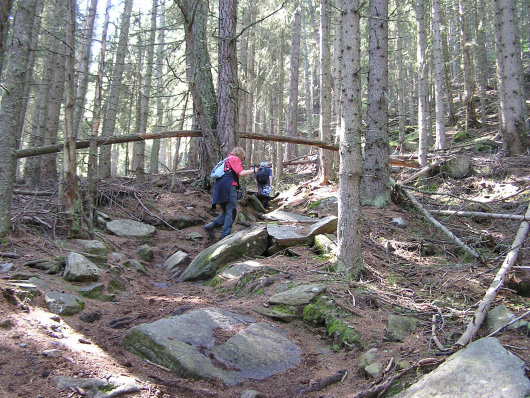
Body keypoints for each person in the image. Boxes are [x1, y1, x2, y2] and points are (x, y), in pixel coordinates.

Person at [204, 147, 257, 240]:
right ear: (240, 155)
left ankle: (211, 226)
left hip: (219, 188)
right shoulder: (234, 159)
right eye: (242, 157)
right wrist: (253, 170)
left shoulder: (226, 160)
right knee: (231, 211)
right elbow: (240, 173)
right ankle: (225, 236)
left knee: (226, 211)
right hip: (228, 187)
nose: (241, 159)